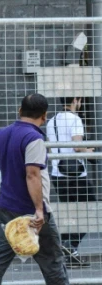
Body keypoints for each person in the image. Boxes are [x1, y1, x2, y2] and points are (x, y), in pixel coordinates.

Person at [0, 93, 73, 285]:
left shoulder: (2, 134)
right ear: (44, 116)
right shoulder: (34, 138)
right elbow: (32, 174)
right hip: (30, 212)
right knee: (52, 262)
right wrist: (39, 210)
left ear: (19, 111)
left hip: (6, 208)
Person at [46, 96, 96, 268]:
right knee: (91, 210)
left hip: (57, 172)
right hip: (75, 174)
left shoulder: (52, 121)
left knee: (70, 212)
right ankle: (70, 246)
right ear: (76, 100)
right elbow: (77, 146)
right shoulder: (75, 119)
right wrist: (89, 151)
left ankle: (66, 249)